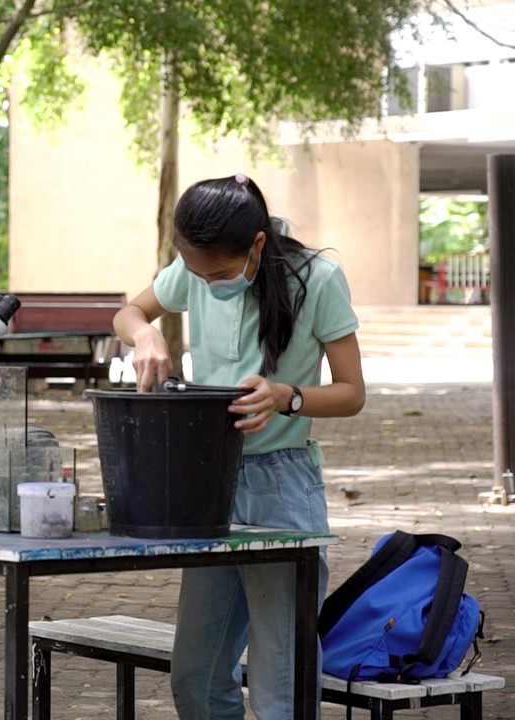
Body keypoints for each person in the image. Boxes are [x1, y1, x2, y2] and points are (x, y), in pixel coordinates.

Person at [112, 173, 365, 720]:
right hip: (210, 484)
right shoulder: (193, 270)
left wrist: (286, 397)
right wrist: (146, 334)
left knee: (280, 682)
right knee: (195, 676)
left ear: (257, 244)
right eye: (199, 276)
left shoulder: (317, 279)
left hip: (282, 488)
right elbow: (128, 314)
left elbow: (352, 393)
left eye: (221, 275)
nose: (209, 284)